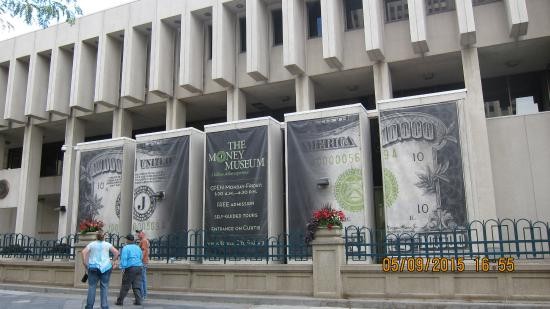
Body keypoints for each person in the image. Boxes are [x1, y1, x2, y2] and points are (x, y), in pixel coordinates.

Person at [82, 230, 119, 309]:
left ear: (96, 237)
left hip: (93, 267)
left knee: (92, 287)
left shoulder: (92, 244)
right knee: (104, 287)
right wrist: (113, 261)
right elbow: (116, 252)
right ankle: (104, 306)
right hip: (106, 267)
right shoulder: (107, 244)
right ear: (104, 237)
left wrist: (85, 262)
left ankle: (89, 306)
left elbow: (83, 252)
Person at [115, 234, 143, 306]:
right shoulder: (137, 247)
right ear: (133, 240)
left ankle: (120, 301)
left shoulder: (126, 248)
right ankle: (138, 301)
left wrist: (122, 267)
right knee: (137, 285)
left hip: (130, 268)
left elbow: (124, 258)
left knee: (125, 285)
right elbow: (141, 256)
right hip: (139, 267)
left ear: (127, 240)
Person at [136, 229, 150, 299]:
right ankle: (143, 295)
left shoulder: (144, 241)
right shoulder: (144, 240)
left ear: (143, 234)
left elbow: (143, 251)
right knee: (142, 279)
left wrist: (139, 261)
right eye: (138, 233)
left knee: (141, 279)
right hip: (144, 262)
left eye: (139, 233)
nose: (138, 234)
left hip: (142, 262)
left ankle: (142, 295)